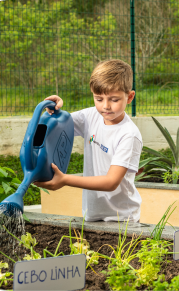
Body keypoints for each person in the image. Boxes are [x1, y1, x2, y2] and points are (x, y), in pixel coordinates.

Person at [33, 59, 143, 223]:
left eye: (114, 99)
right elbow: (57, 126)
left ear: (130, 97)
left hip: (122, 219)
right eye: (99, 99)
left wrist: (65, 180)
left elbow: (111, 182)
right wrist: (54, 110)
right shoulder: (90, 116)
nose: (105, 106)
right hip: (91, 215)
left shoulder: (129, 134)